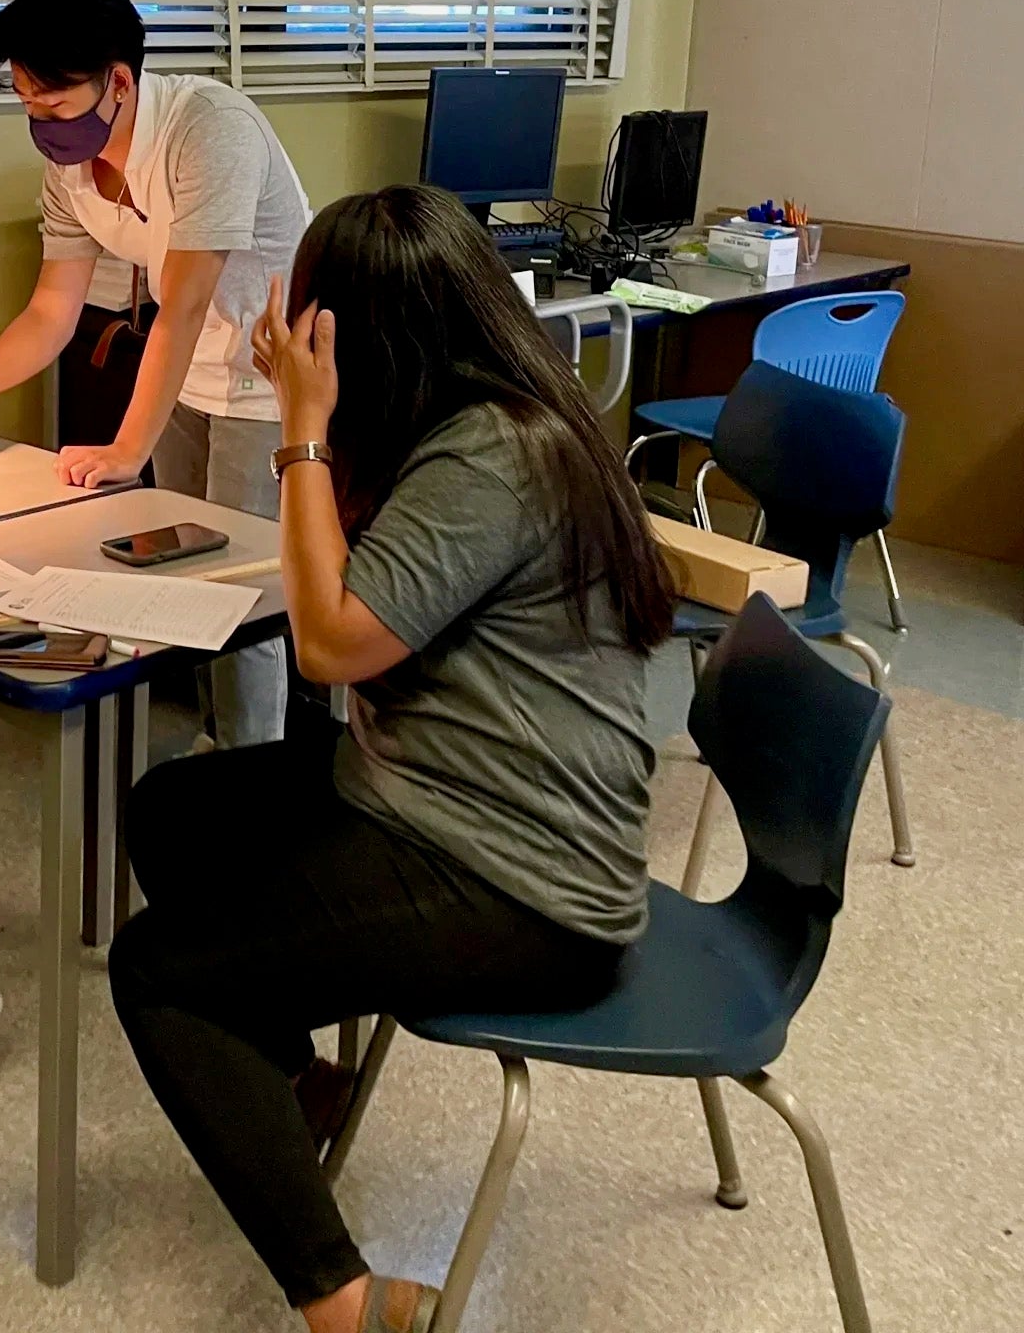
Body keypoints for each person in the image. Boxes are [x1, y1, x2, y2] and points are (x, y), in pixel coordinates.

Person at [108, 184, 674, 1333]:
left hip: (519, 877)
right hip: (438, 792)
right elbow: (361, 594)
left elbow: (330, 645)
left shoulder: (495, 458)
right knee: (173, 811)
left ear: (363, 336)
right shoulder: (475, 419)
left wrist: (301, 431)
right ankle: (291, 1081)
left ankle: (346, 1300)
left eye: (317, 323)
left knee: (158, 969)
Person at [0, 0, 311, 749]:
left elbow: (186, 299)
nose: (41, 120)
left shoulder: (209, 127)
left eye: (53, 100)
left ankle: (254, 766)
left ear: (118, 80)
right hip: (187, 373)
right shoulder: (67, 167)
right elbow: (52, 309)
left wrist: (131, 448)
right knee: (193, 580)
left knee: (249, 592)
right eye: (26, 102)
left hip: (273, 375)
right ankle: (214, 743)